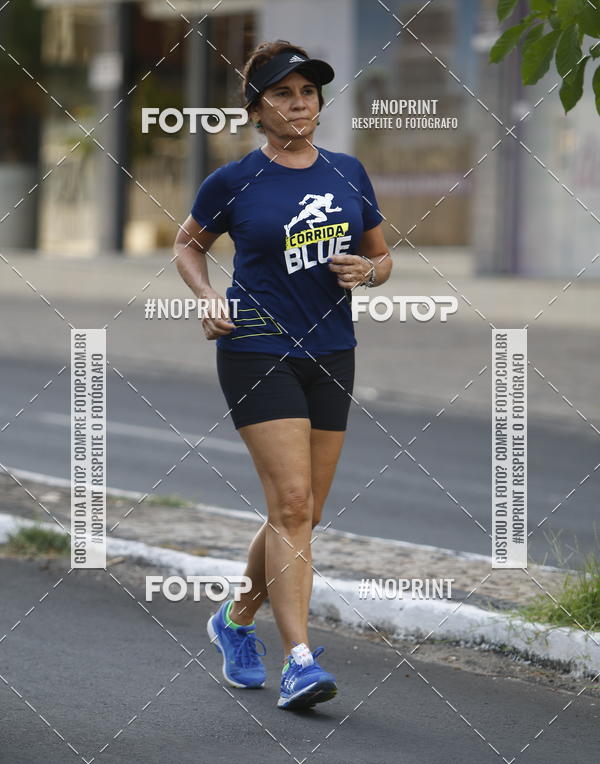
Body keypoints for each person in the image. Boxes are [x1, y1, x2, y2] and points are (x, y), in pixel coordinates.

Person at [174, 39, 392, 710]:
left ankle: (234, 620)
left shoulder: (349, 171)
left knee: (301, 514)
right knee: (292, 504)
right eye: (282, 94)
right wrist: (209, 299)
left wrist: (367, 271)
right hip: (256, 345)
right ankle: (299, 660)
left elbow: (382, 257)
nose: (298, 104)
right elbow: (187, 243)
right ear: (256, 108)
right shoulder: (235, 181)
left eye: (308, 92)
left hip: (332, 349)